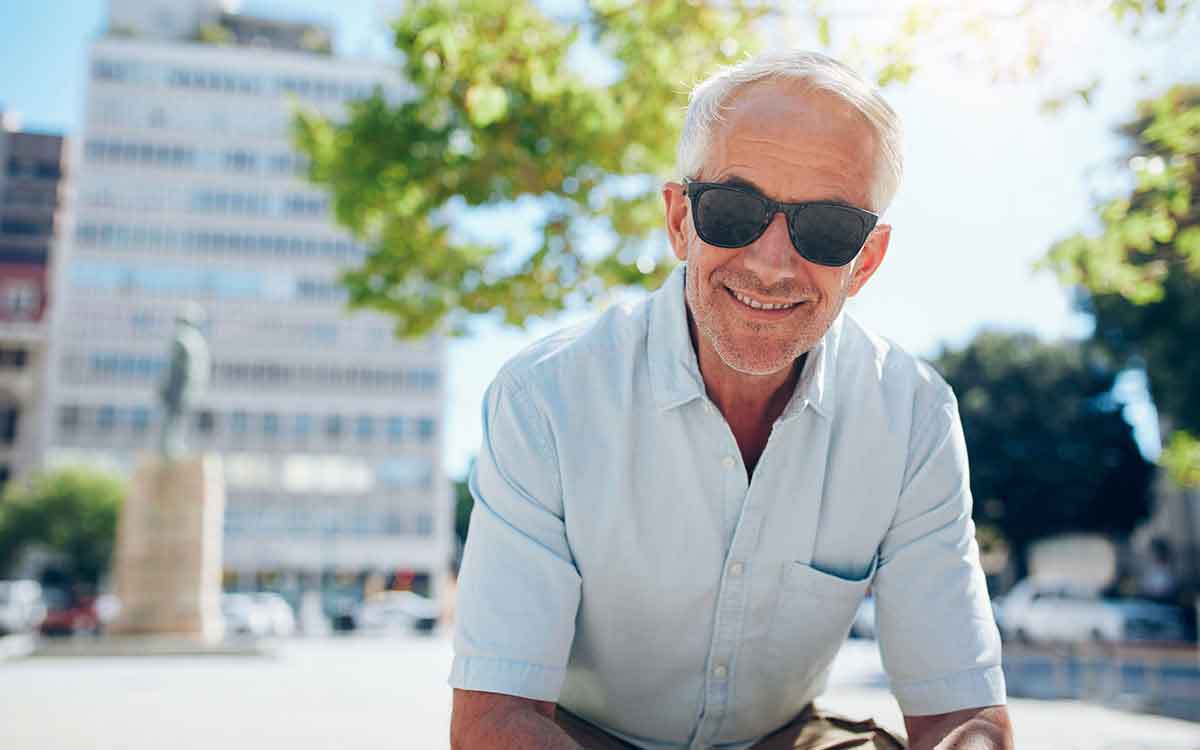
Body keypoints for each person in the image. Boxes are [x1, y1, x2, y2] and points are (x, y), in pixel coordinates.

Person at [449, 50, 1013, 750]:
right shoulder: (543, 398)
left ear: (865, 260)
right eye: (734, 210)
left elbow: (964, 715)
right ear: (680, 221)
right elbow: (494, 719)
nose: (771, 265)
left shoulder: (913, 417)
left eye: (827, 228)